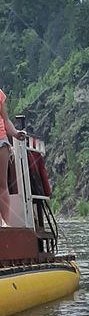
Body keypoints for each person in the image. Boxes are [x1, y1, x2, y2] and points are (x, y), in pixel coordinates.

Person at [0, 90, 25, 226]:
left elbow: (6, 120)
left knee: (2, 184)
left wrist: (15, 133)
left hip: (1, 141)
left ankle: (5, 223)